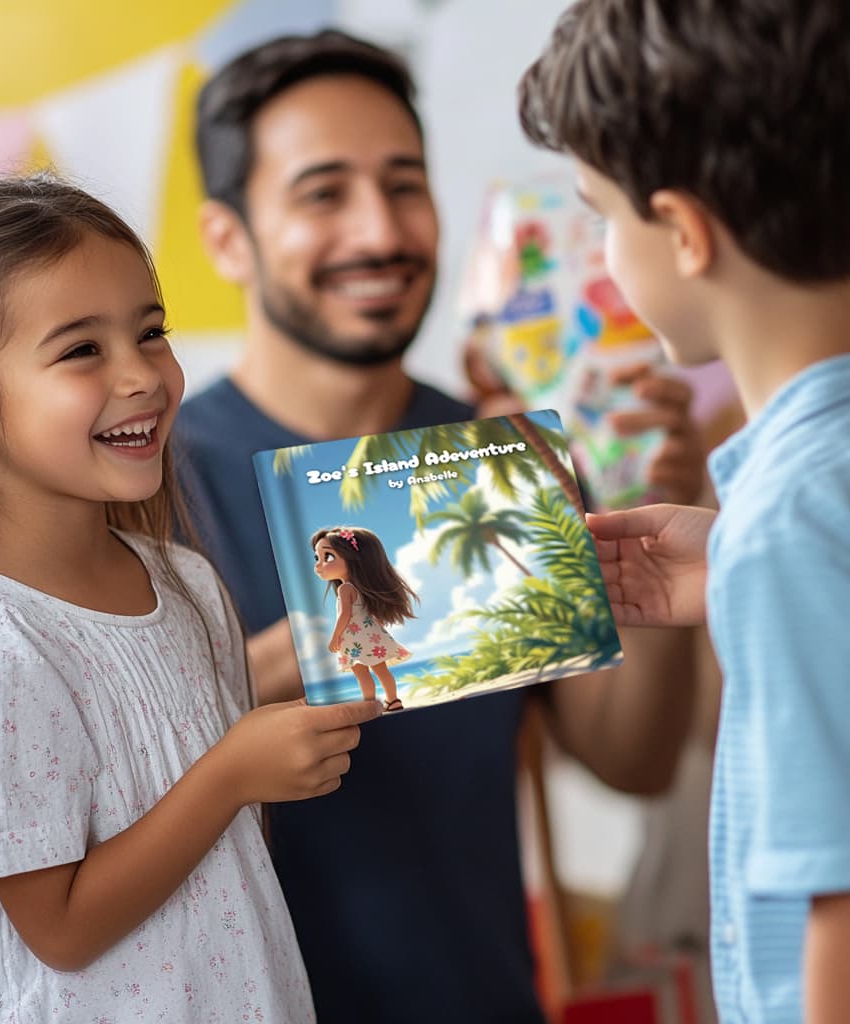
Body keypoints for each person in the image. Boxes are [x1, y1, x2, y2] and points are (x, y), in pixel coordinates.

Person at [174, 30, 703, 1023]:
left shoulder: (498, 456)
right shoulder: (154, 481)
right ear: (226, 238)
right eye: (323, 192)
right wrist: (324, 647)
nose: (379, 230)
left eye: (404, 183)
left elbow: (631, 759)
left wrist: (646, 535)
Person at [0, 174, 384, 1024]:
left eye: (150, 331)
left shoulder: (184, 581)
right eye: (82, 349)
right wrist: (234, 771)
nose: (143, 376)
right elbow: (60, 928)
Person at [518, 2, 850, 1021]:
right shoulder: (801, 501)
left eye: (601, 215)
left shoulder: (793, 519)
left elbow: (837, 892)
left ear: (685, 233)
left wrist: (764, 557)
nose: (605, 253)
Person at [312, 526, 416, 710]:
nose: (318, 565)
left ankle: (369, 705)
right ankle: (393, 700)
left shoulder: (345, 589)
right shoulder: (360, 588)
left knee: (361, 674)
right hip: (370, 637)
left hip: (353, 640)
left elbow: (345, 615)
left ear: (352, 559)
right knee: (381, 670)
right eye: (317, 558)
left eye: (328, 557)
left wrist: (335, 637)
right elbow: (368, 612)